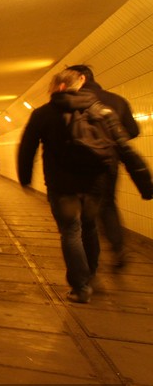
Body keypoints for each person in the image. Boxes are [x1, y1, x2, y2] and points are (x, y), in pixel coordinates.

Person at [17, 68, 113, 303]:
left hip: (62, 186)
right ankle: (91, 275)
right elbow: (118, 142)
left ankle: (81, 287)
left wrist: (25, 177)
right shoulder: (99, 109)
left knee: (71, 232)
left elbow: (27, 147)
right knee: (90, 228)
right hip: (93, 184)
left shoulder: (43, 113)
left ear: (58, 87)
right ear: (80, 83)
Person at [67, 64, 140, 271]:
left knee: (83, 208)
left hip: (81, 163)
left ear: (81, 78)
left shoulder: (72, 102)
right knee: (107, 203)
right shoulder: (117, 100)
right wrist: (113, 140)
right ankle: (117, 247)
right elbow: (133, 130)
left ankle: (89, 259)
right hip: (110, 162)